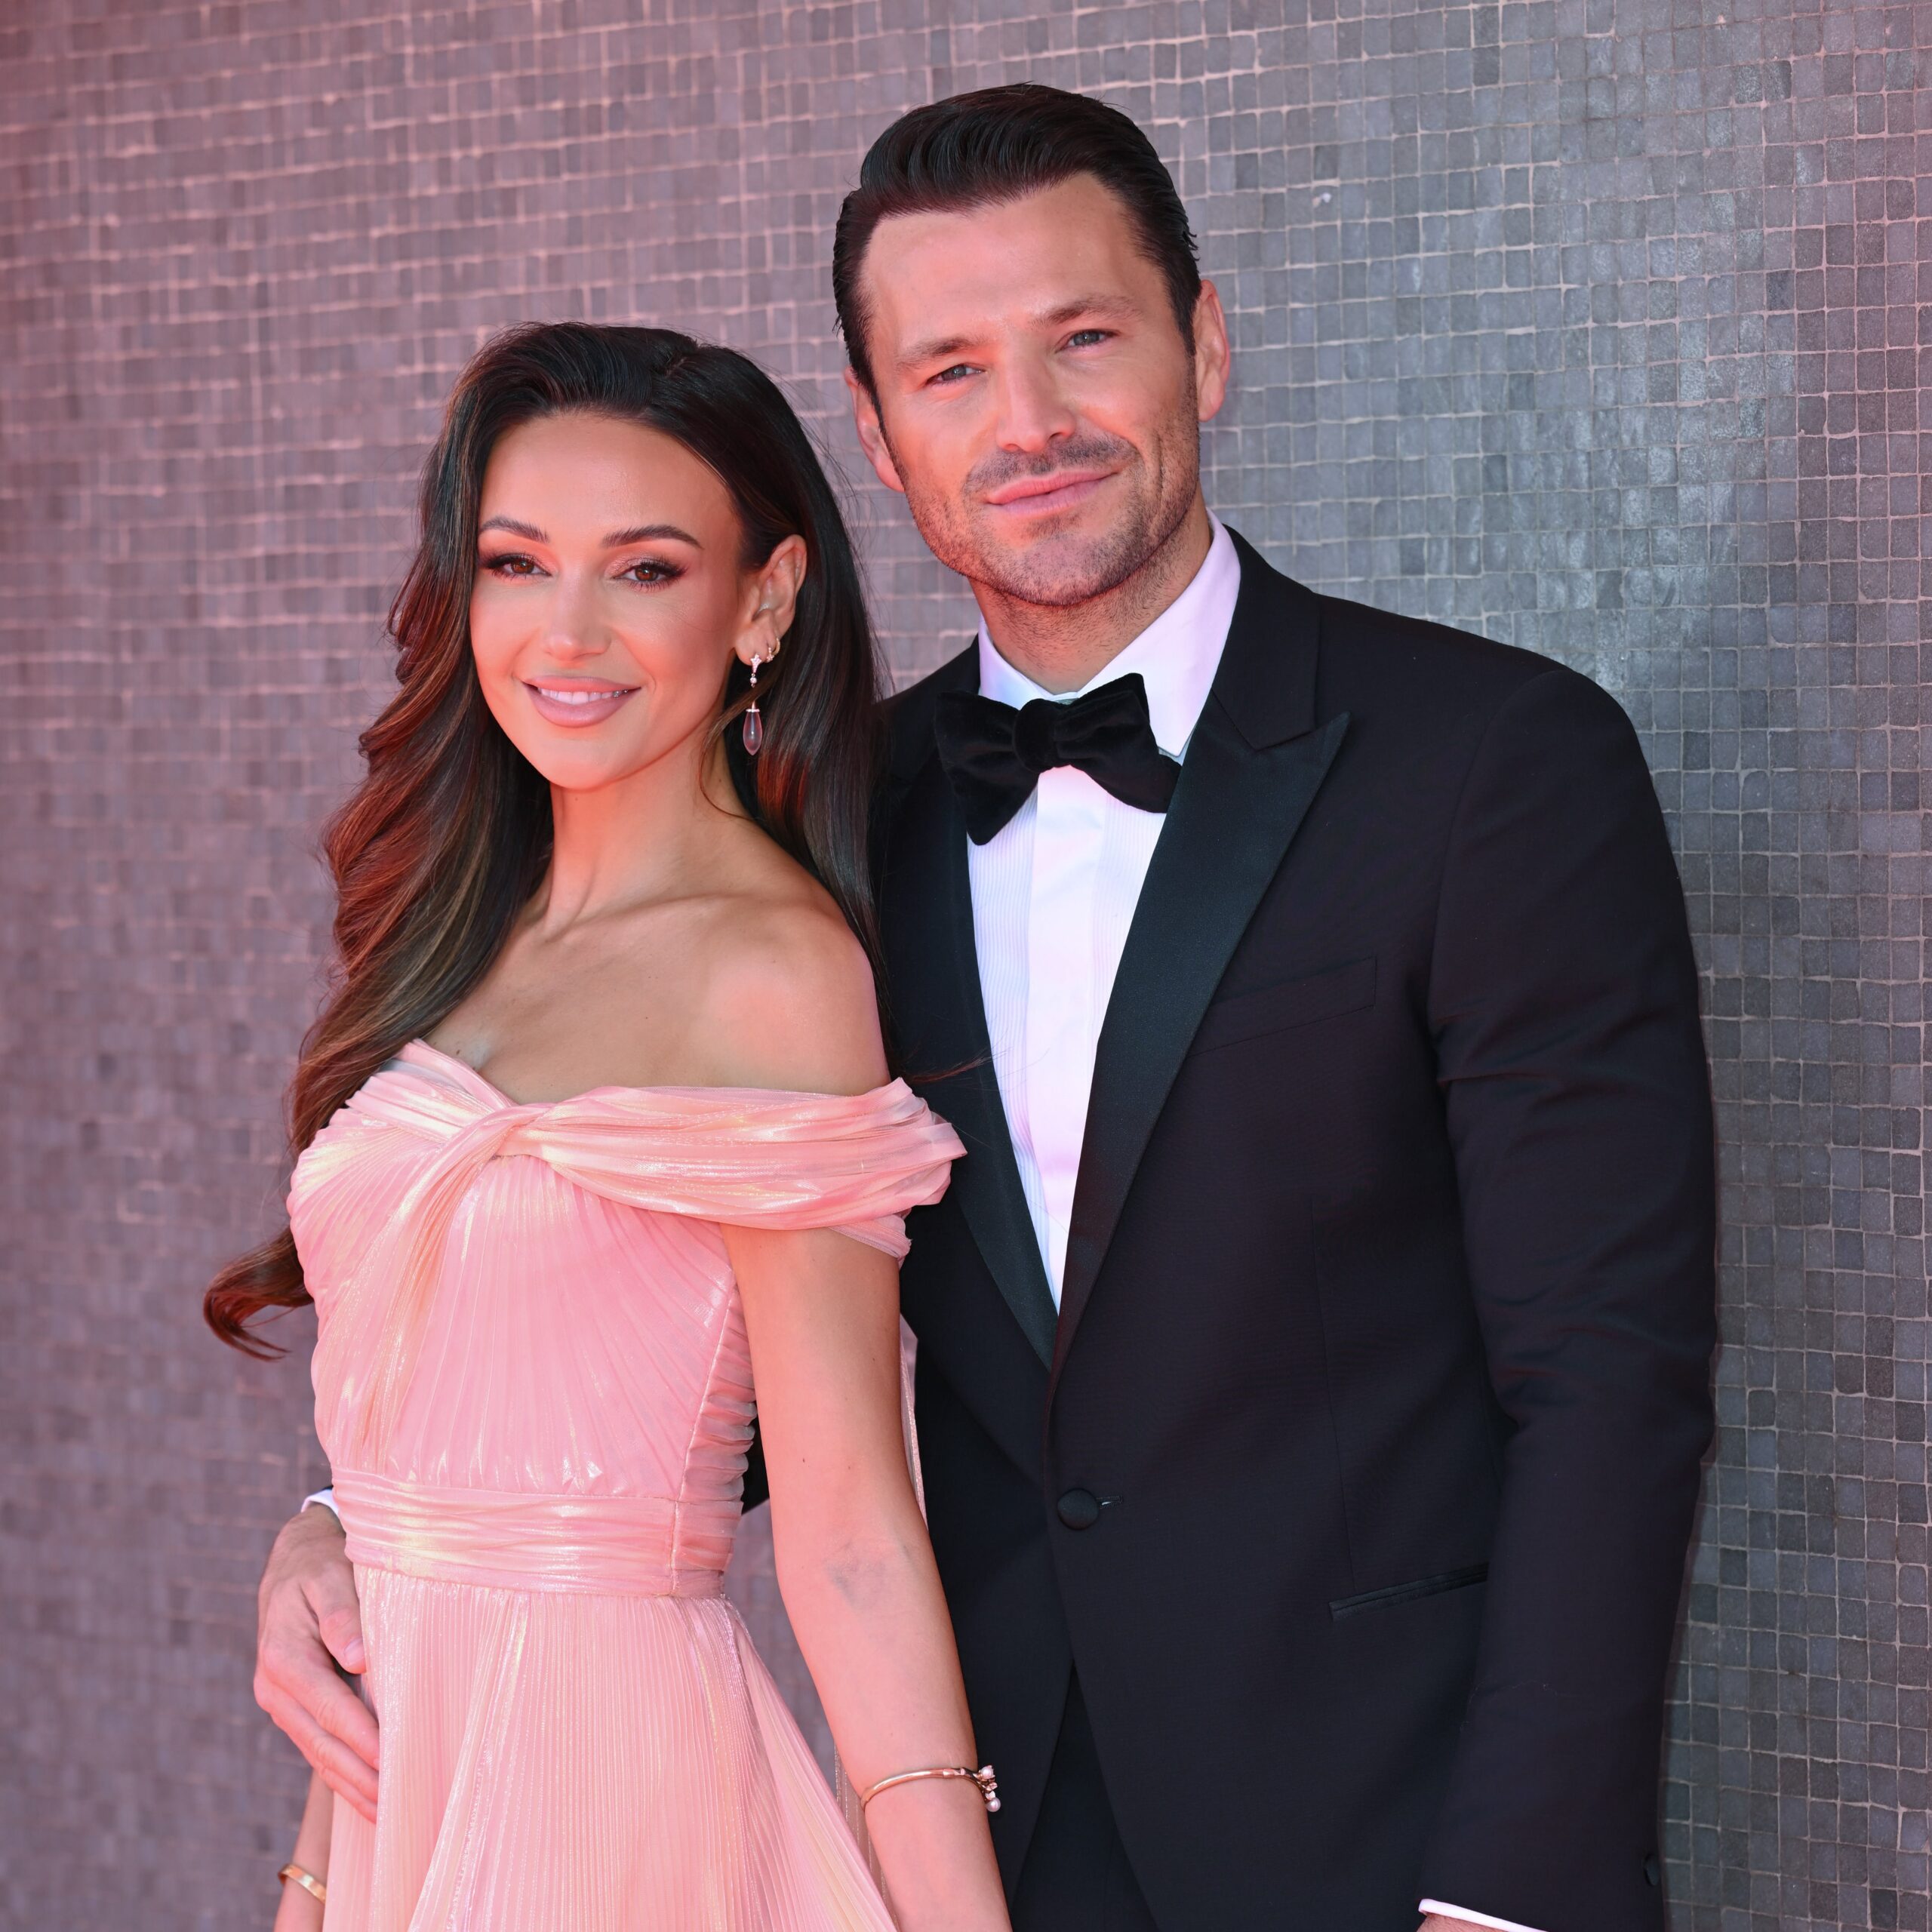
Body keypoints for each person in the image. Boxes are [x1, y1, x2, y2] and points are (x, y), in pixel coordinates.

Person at [252, 88, 1719, 1932]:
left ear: (1203, 342)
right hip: (987, 1834)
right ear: (876, 433)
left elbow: (1605, 1374)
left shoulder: (1492, 764)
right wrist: (354, 1526)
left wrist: (1512, 1892)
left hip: (1380, 1842)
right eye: (949, 370)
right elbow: (707, 1343)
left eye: (1081, 338)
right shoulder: (826, 835)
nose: (1024, 423)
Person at [209, 322, 1011, 1932]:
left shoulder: (774, 974)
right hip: (388, 1812)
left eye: (644, 569)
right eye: (518, 563)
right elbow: (429, 1459)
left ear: (764, 601)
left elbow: (848, 1530)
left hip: (611, 1791)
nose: (566, 631)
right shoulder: (454, 939)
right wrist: (324, 1536)